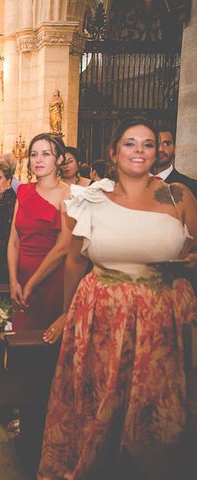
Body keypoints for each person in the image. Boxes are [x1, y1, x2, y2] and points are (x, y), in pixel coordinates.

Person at [39, 117, 197, 478]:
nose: (139, 150)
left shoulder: (179, 196)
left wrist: (190, 261)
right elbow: (75, 261)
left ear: (158, 152)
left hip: (164, 317)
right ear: (114, 151)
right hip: (103, 314)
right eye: (130, 143)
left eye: (148, 144)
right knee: (100, 407)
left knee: (154, 412)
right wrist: (67, 315)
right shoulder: (90, 200)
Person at [7, 133, 70, 331]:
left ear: (59, 159)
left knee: (46, 340)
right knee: (21, 336)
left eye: (45, 154)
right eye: (34, 155)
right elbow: (14, 241)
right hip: (22, 276)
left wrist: (31, 284)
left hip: (52, 276)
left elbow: (64, 246)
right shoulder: (24, 191)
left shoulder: (69, 194)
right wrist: (14, 282)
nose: (38, 160)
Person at [153, 126, 197, 197]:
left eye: (166, 144)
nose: (160, 149)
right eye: (156, 143)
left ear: (174, 149)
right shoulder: (131, 183)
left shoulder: (193, 187)